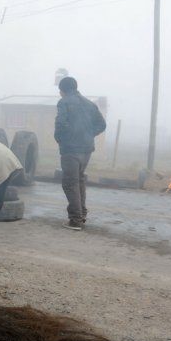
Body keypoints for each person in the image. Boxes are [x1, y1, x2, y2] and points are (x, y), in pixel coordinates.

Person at [54, 77, 106, 231]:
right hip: (86, 149)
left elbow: (61, 124)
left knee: (70, 183)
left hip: (71, 149)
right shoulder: (90, 104)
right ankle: (81, 215)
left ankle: (75, 220)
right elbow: (102, 124)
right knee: (79, 180)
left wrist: (61, 139)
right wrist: (88, 135)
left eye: (60, 90)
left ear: (62, 90)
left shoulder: (64, 102)